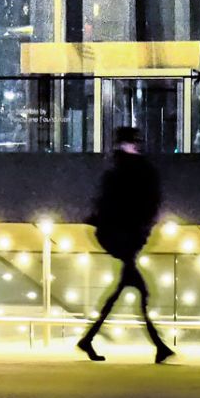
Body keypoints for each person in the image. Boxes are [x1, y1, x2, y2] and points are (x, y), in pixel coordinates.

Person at [78, 126, 174, 364]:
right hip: (123, 238)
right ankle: (158, 346)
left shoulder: (120, 171)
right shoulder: (132, 171)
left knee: (126, 290)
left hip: (120, 238)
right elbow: (139, 204)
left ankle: (89, 340)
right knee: (138, 292)